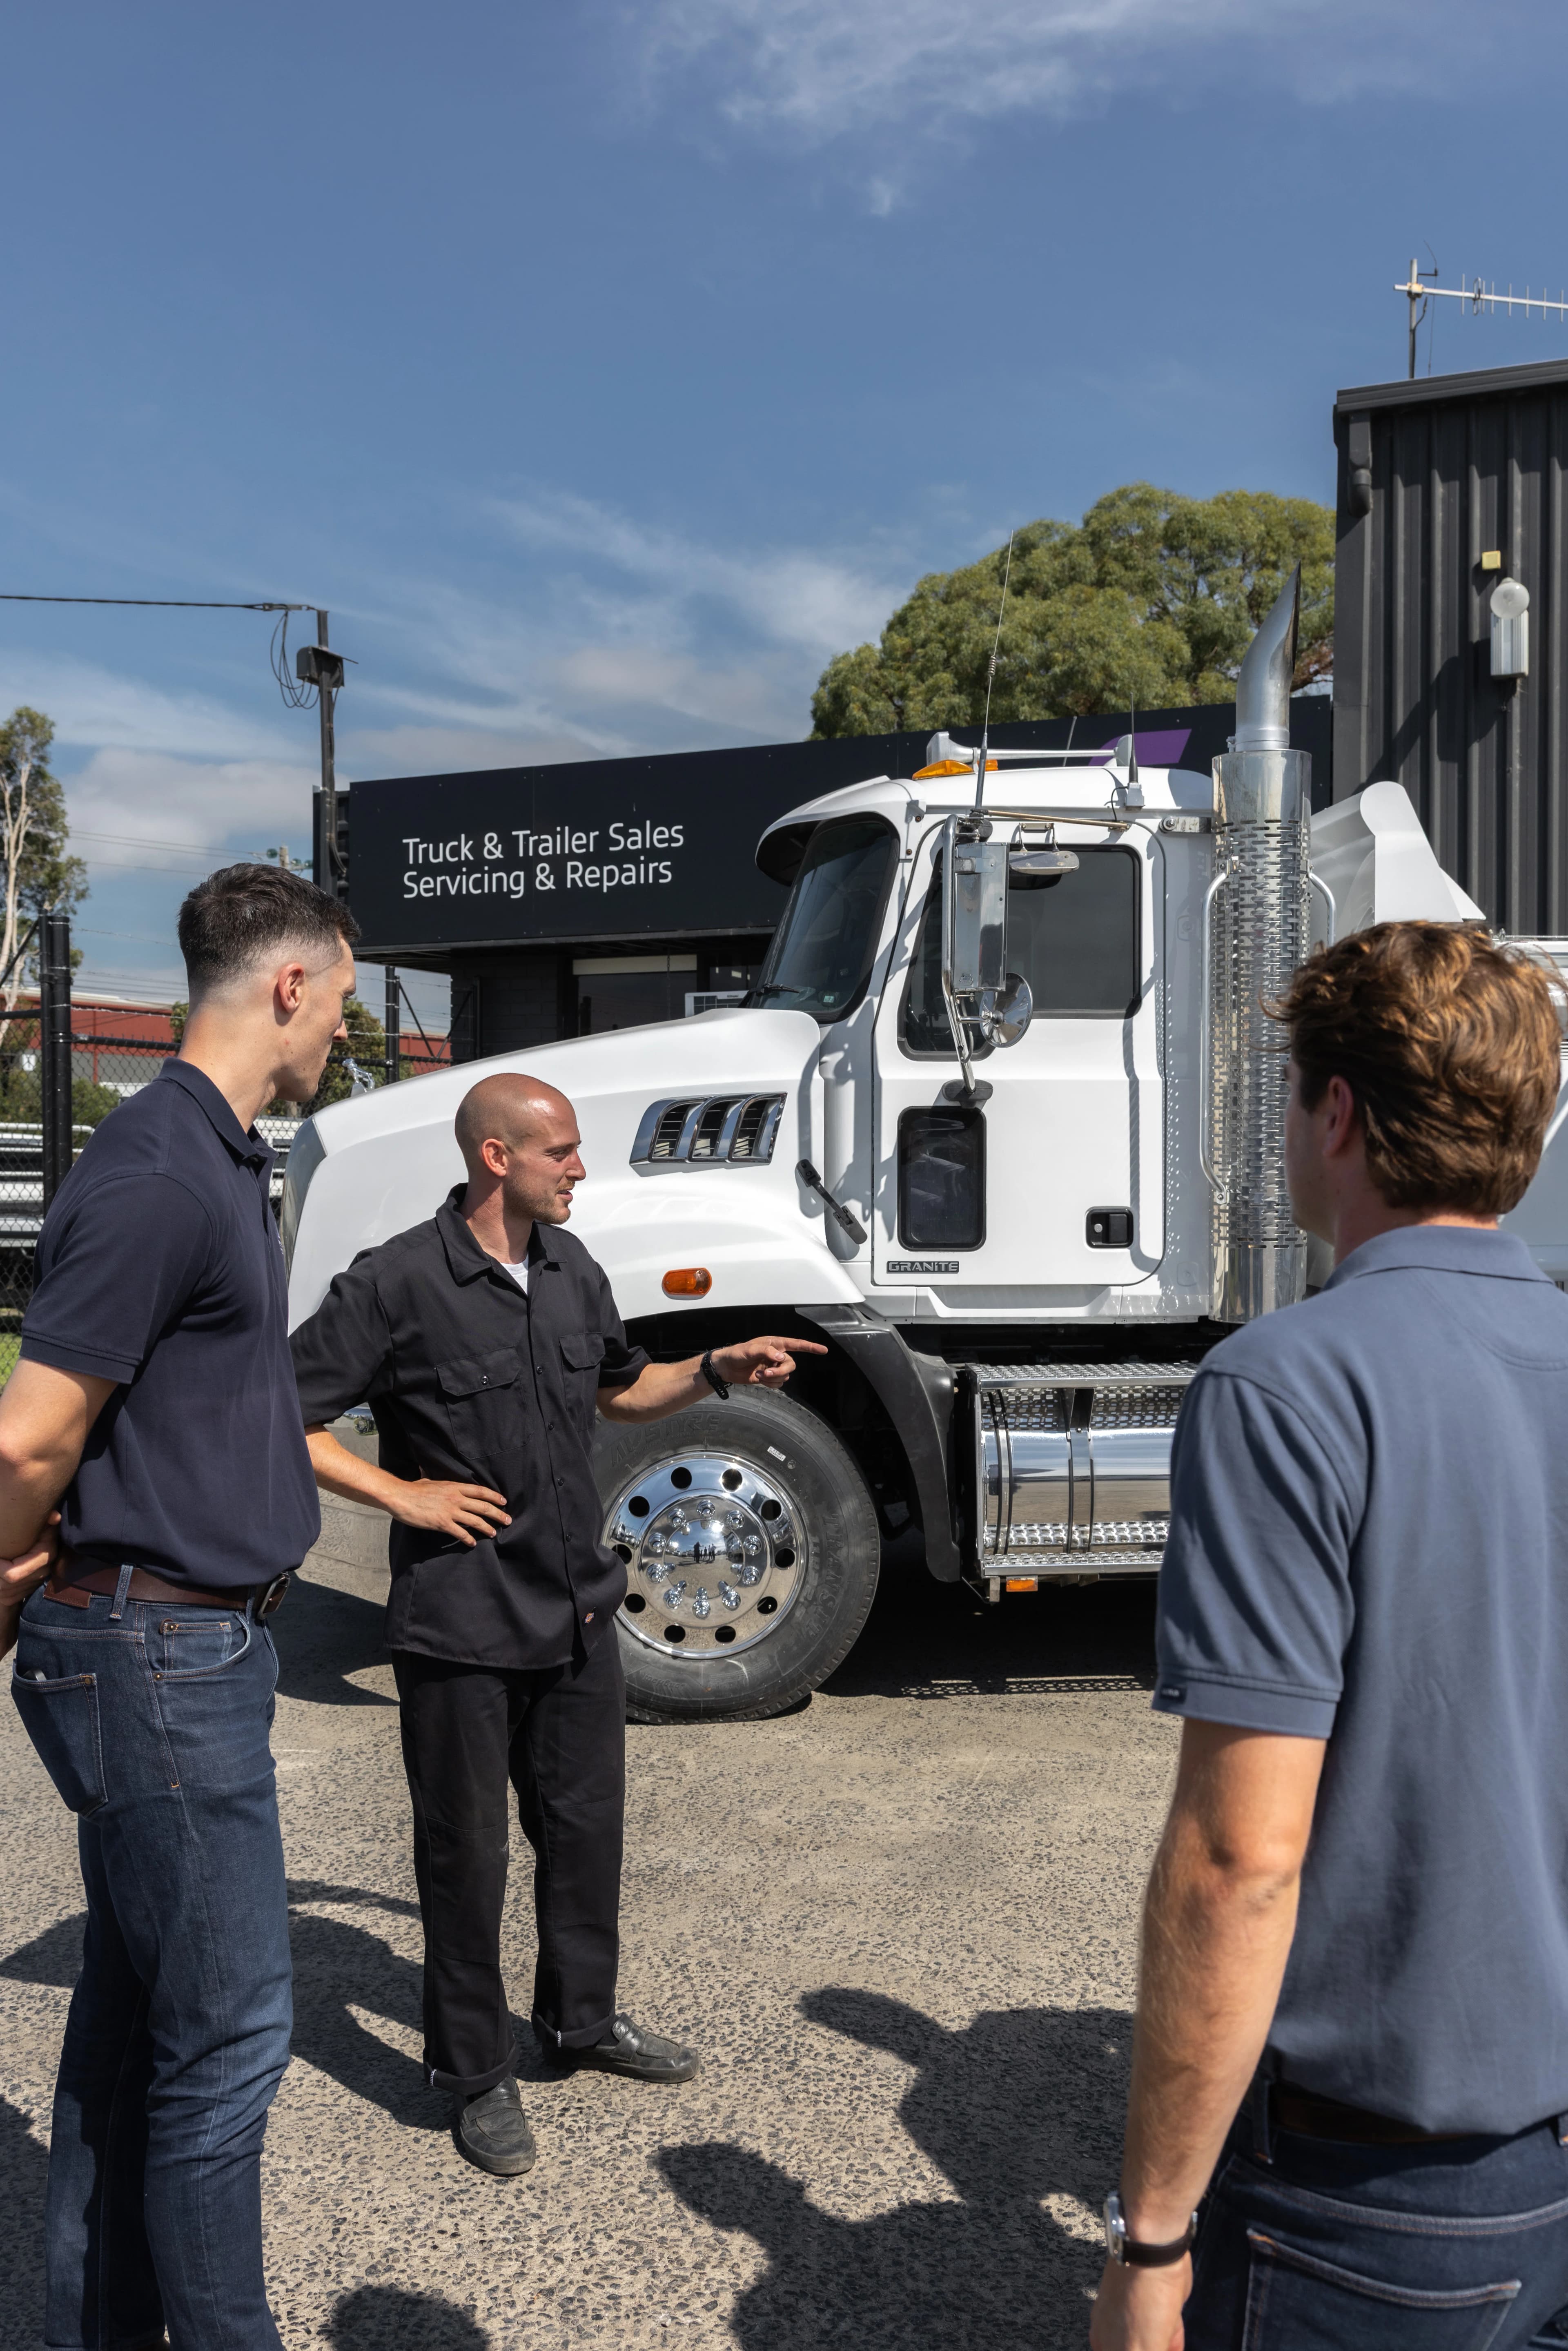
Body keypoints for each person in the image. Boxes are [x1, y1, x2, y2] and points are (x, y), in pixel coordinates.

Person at [1091, 920, 1568, 2351]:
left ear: (1339, 1111)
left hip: (1381, 2193)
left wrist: (1151, 2240)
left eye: (1293, 1088)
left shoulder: (1287, 1386)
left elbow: (1243, 1857)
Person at [289, 1072, 826, 2177]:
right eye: (562, 1152)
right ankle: (474, 2074)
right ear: (497, 1157)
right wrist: (407, 1499)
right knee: (466, 1858)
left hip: (579, 1611)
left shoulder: (573, 1269)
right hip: (461, 1626)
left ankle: (579, 2023)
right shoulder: (395, 1284)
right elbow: (280, 1416)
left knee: (584, 1838)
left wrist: (719, 1367)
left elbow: (622, 1390)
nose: (582, 1168)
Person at [5, 864, 356, 2351]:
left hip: (176, 1635)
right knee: (227, 2053)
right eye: (342, 996)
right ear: (287, 986)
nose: (343, 1025)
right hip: (155, 1648)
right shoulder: (160, 1169)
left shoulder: (216, 1156)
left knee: (135, 2031)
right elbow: (31, 1435)